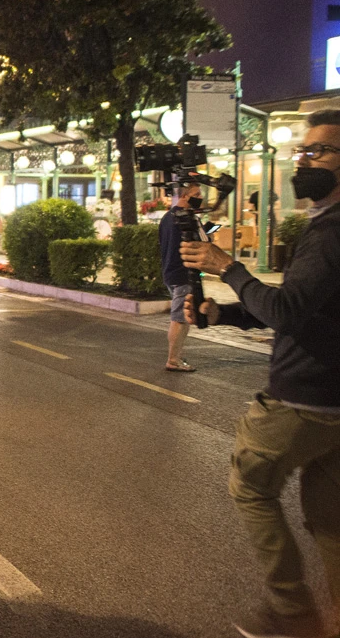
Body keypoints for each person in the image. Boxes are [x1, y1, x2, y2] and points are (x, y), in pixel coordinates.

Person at [181, 107, 340, 638]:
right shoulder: (326, 228)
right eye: (302, 150)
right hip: (334, 405)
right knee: (330, 521)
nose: (304, 160)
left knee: (251, 486)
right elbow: (305, 309)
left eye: (319, 151)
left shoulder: (331, 234)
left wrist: (226, 267)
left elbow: (288, 313)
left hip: (305, 401)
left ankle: (292, 612)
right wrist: (223, 311)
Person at [157, 182, 202, 372]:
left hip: (170, 271)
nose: (200, 198)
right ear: (185, 196)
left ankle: (175, 355)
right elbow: (200, 242)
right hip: (183, 273)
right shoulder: (187, 219)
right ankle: (173, 359)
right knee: (179, 318)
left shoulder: (167, 217)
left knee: (182, 316)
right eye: (197, 194)